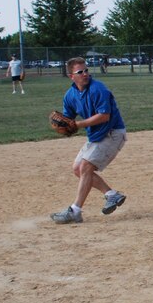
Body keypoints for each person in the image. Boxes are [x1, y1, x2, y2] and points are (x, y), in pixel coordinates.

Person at [50, 57, 128, 224]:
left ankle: (75, 211)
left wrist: (78, 124)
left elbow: (104, 116)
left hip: (112, 133)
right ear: (72, 76)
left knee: (85, 167)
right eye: (80, 72)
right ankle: (112, 195)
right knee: (78, 169)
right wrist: (64, 125)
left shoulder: (97, 89)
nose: (85, 74)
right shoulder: (70, 95)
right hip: (96, 136)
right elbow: (68, 119)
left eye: (86, 70)